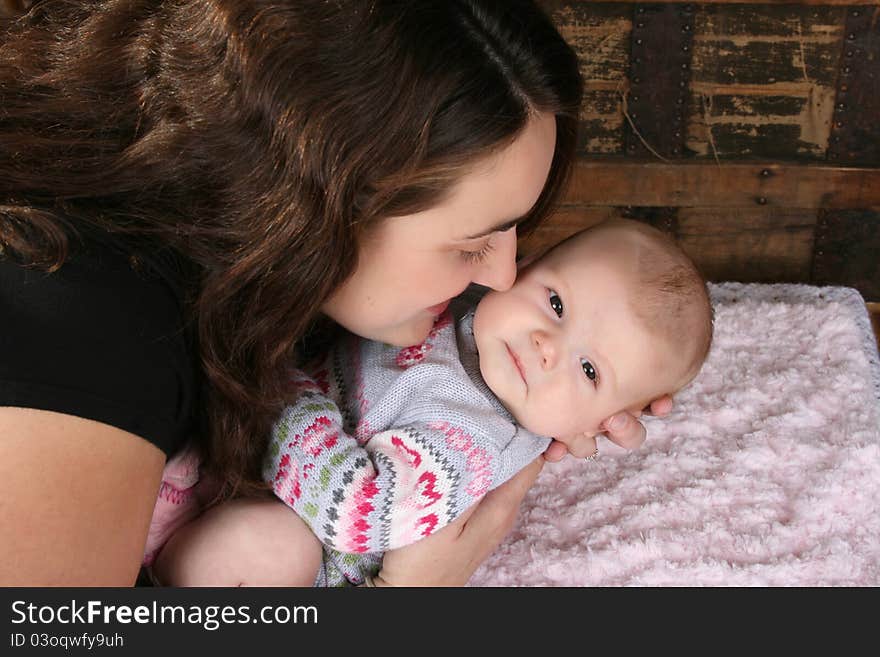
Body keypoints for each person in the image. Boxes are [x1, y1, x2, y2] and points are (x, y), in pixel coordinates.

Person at [0, 0, 667, 586]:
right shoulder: (80, 332)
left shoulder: (254, 268)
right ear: (314, 205)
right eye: (471, 244)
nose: (500, 275)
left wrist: (585, 369)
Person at [149, 219, 711, 586]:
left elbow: (357, 510)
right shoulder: (472, 310)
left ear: (602, 421)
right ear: (524, 269)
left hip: (307, 534)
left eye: (589, 370)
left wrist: (280, 392)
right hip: (244, 461)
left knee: (265, 550)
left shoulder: (470, 443)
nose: (546, 347)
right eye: (557, 303)